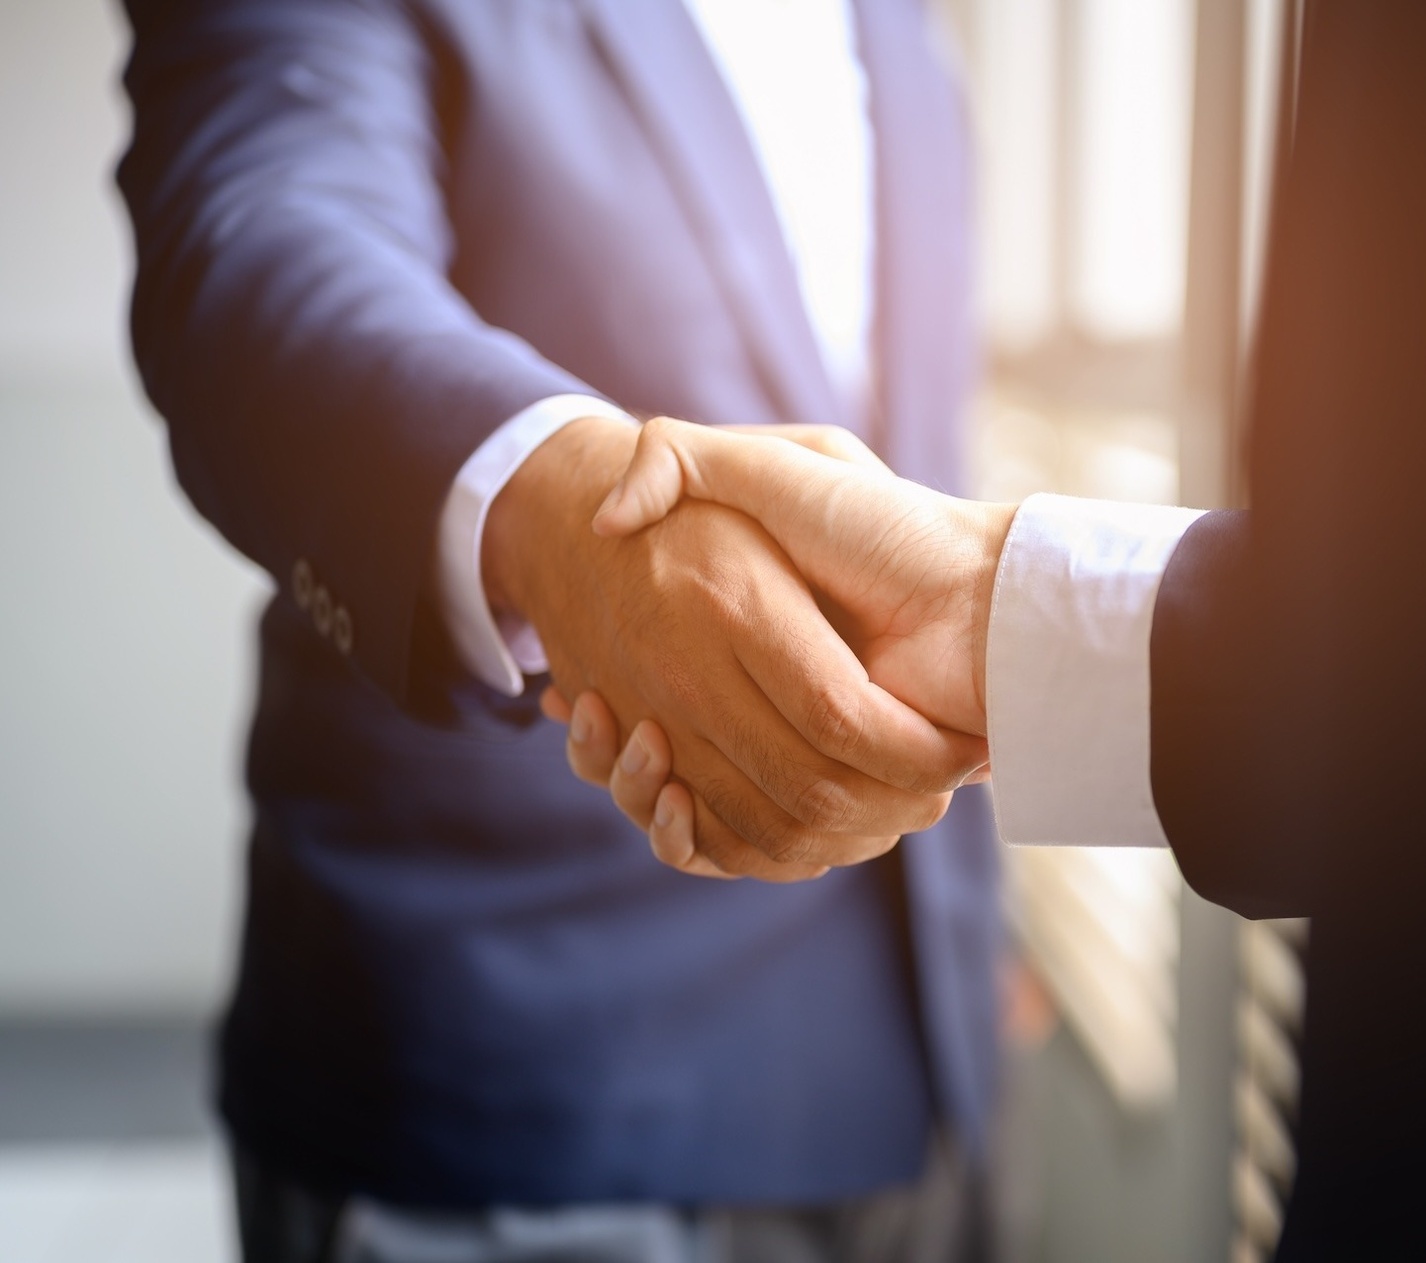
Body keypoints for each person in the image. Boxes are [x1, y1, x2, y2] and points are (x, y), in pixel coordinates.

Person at [556, 0, 1426, 1256]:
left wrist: (993, 637)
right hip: (573, 1070)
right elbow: (343, 281)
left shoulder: (902, 42)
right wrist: (545, 506)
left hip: (961, 1050)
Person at [115, 1, 1003, 1259]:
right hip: (526, 1057)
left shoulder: (901, 25)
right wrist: (560, 503)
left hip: (909, 1060)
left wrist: (969, 937)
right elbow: (268, 244)